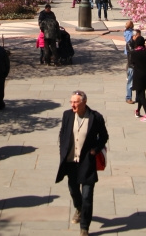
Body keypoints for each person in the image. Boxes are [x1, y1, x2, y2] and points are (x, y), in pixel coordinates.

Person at [56, 90, 109, 236]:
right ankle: (78, 208)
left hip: (87, 162)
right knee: (73, 190)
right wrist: (63, 150)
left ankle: (84, 227)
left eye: (76, 102)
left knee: (87, 195)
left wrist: (95, 150)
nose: (73, 105)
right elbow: (63, 133)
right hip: (71, 161)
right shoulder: (67, 115)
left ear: (84, 102)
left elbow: (104, 136)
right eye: (71, 102)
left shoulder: (95, 117)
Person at [129, 36, 146, 122]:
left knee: (142, 96)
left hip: (138, 75)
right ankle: (138, 111)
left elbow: (132, 63)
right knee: (140, 93)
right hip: (145, 75)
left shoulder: (134, 53)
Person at [123, 22, 135, 103]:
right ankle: (128, 97)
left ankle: (128, 72)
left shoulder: (126, 32)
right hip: (130, 49)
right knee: (129, 62)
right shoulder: (130, 33)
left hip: (127, 49)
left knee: (128, 62)